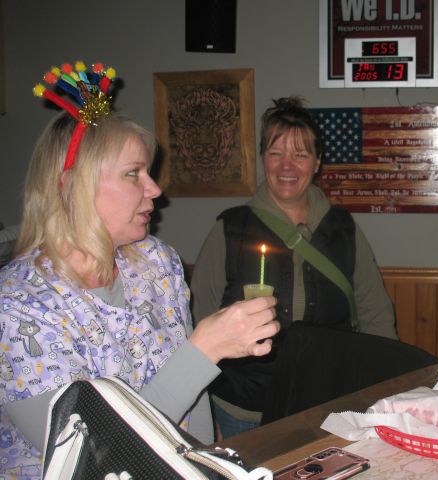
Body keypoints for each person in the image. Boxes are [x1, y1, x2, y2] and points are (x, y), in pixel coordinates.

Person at [0, 62, 279, 479]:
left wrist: (209, 458)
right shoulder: (18, 305)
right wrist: (205, 350)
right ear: (71, 186)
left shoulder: (157, 263)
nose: (155, 189)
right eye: (133, 174)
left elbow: (193, 407)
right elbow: (95, 459)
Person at [190, 96, 398, 438]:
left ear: (317, 162)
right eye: (276, 153)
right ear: (262, 158)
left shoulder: (344, 229)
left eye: (300, 155)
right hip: (244, 410)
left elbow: (376, 316)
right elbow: (199, 320)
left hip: (329, 405)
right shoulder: (229, 229)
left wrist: (383, 390)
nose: (287, 166)